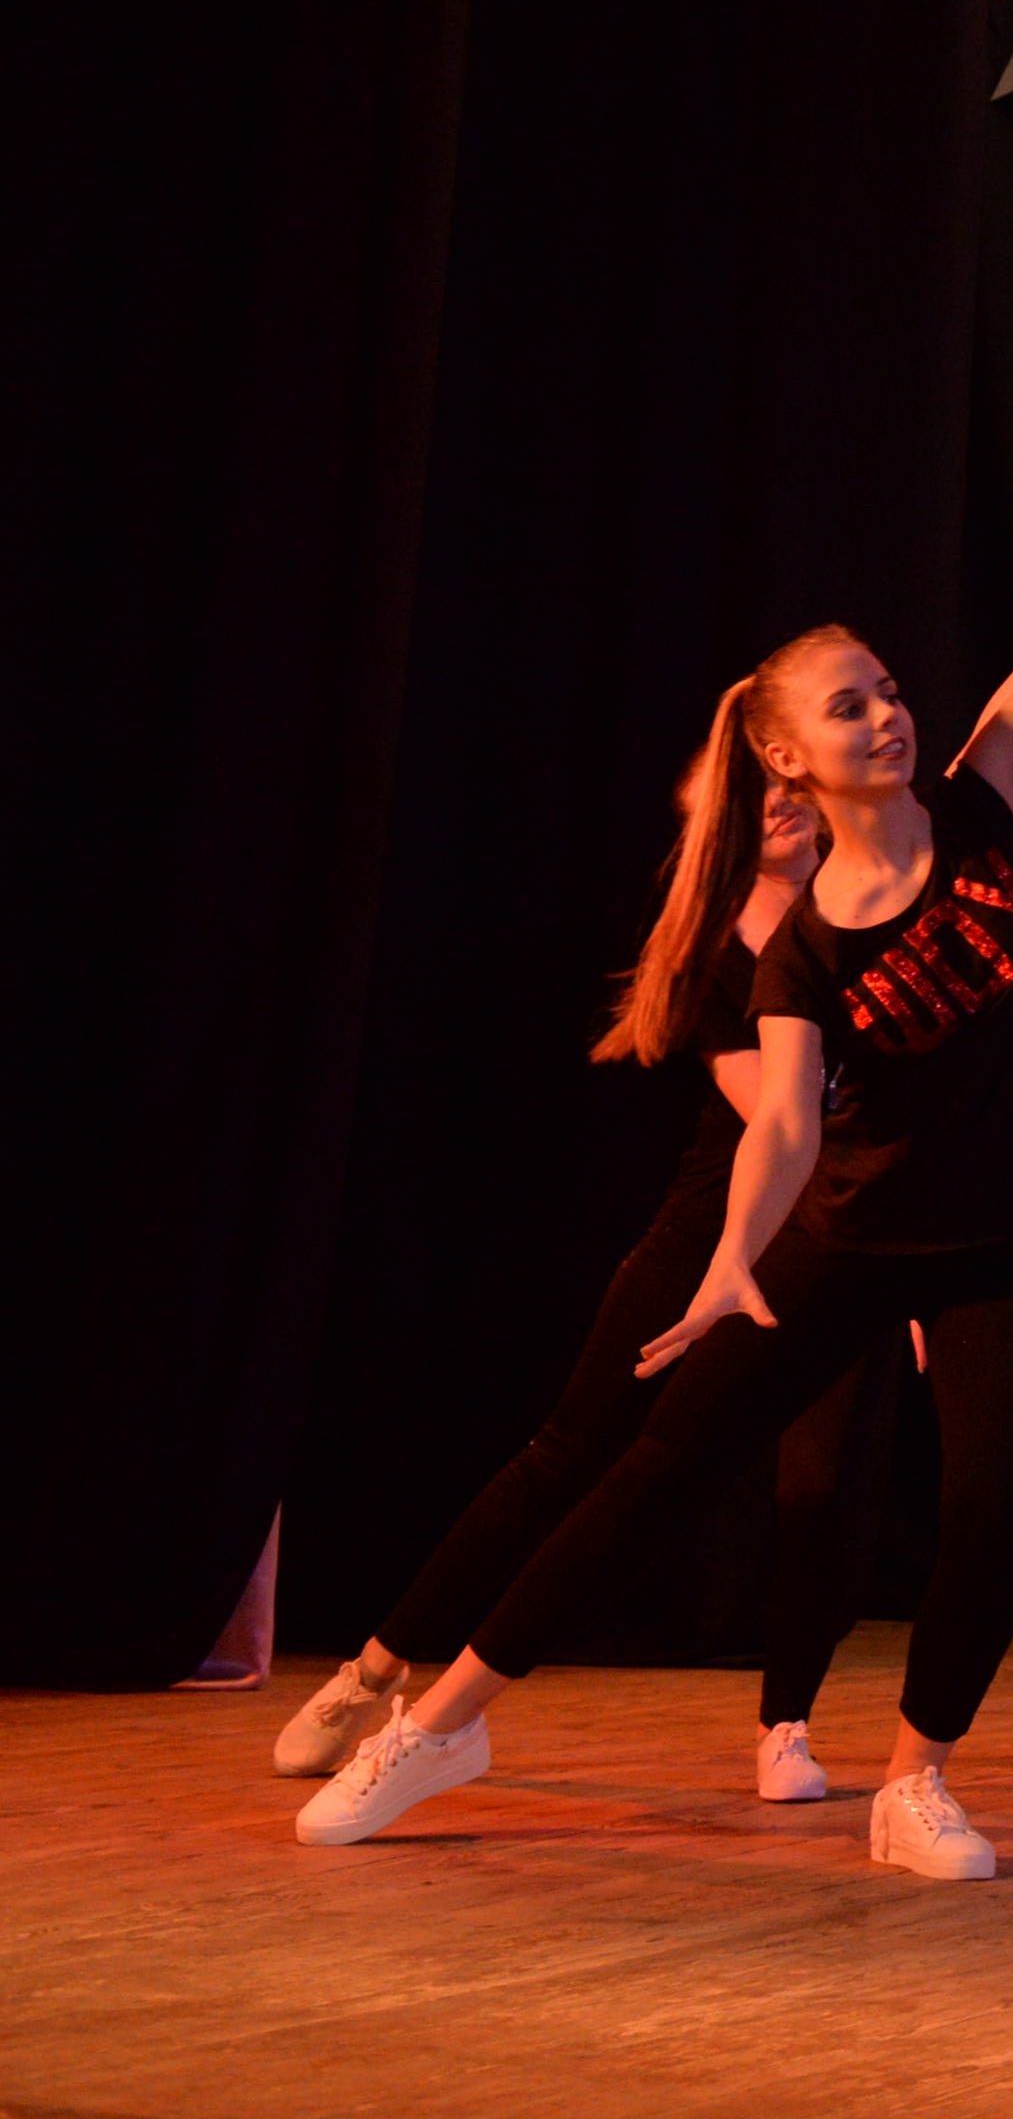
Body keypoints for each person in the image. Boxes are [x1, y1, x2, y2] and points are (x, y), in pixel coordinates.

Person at [291, 315, 1013, 1878]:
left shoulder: (989, 796)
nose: (888, 713)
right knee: (655, 1467)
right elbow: (788, 1125)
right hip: (857, 1236)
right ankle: (440, 1722)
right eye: (848, 706)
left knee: (993, 1512)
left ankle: (914, 1784)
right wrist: (734, 1262)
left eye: (887, 689)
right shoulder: (797, 945)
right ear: (789, 760)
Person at [269, 753, 908, 1808]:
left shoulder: (869, 919)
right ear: (718, 825)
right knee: (568, 1454)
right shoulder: (710, 950)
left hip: (843, 1236)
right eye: (757, 794)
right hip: (714, 1229)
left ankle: (785, 1724)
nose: (785, 805)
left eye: (792, 784)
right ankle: (372, 1672)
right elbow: (781, 1116)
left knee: (820, 1488)